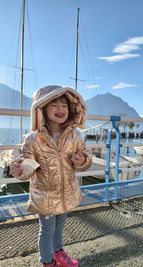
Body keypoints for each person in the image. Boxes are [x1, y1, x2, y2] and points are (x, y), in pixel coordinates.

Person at [12, 85, 92, 267]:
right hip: (45, 196)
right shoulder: (33, 139)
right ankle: (47, 261)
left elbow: (85, 155)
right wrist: (20, 169)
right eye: (54, 105)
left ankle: (58, 253)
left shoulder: (76, 135)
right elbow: (26, 162)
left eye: (64, 105)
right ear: (41, 109)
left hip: (66, 192)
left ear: (71, 109)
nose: (61, 109)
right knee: (47, 229)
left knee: (60, 226)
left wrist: (82, 160)